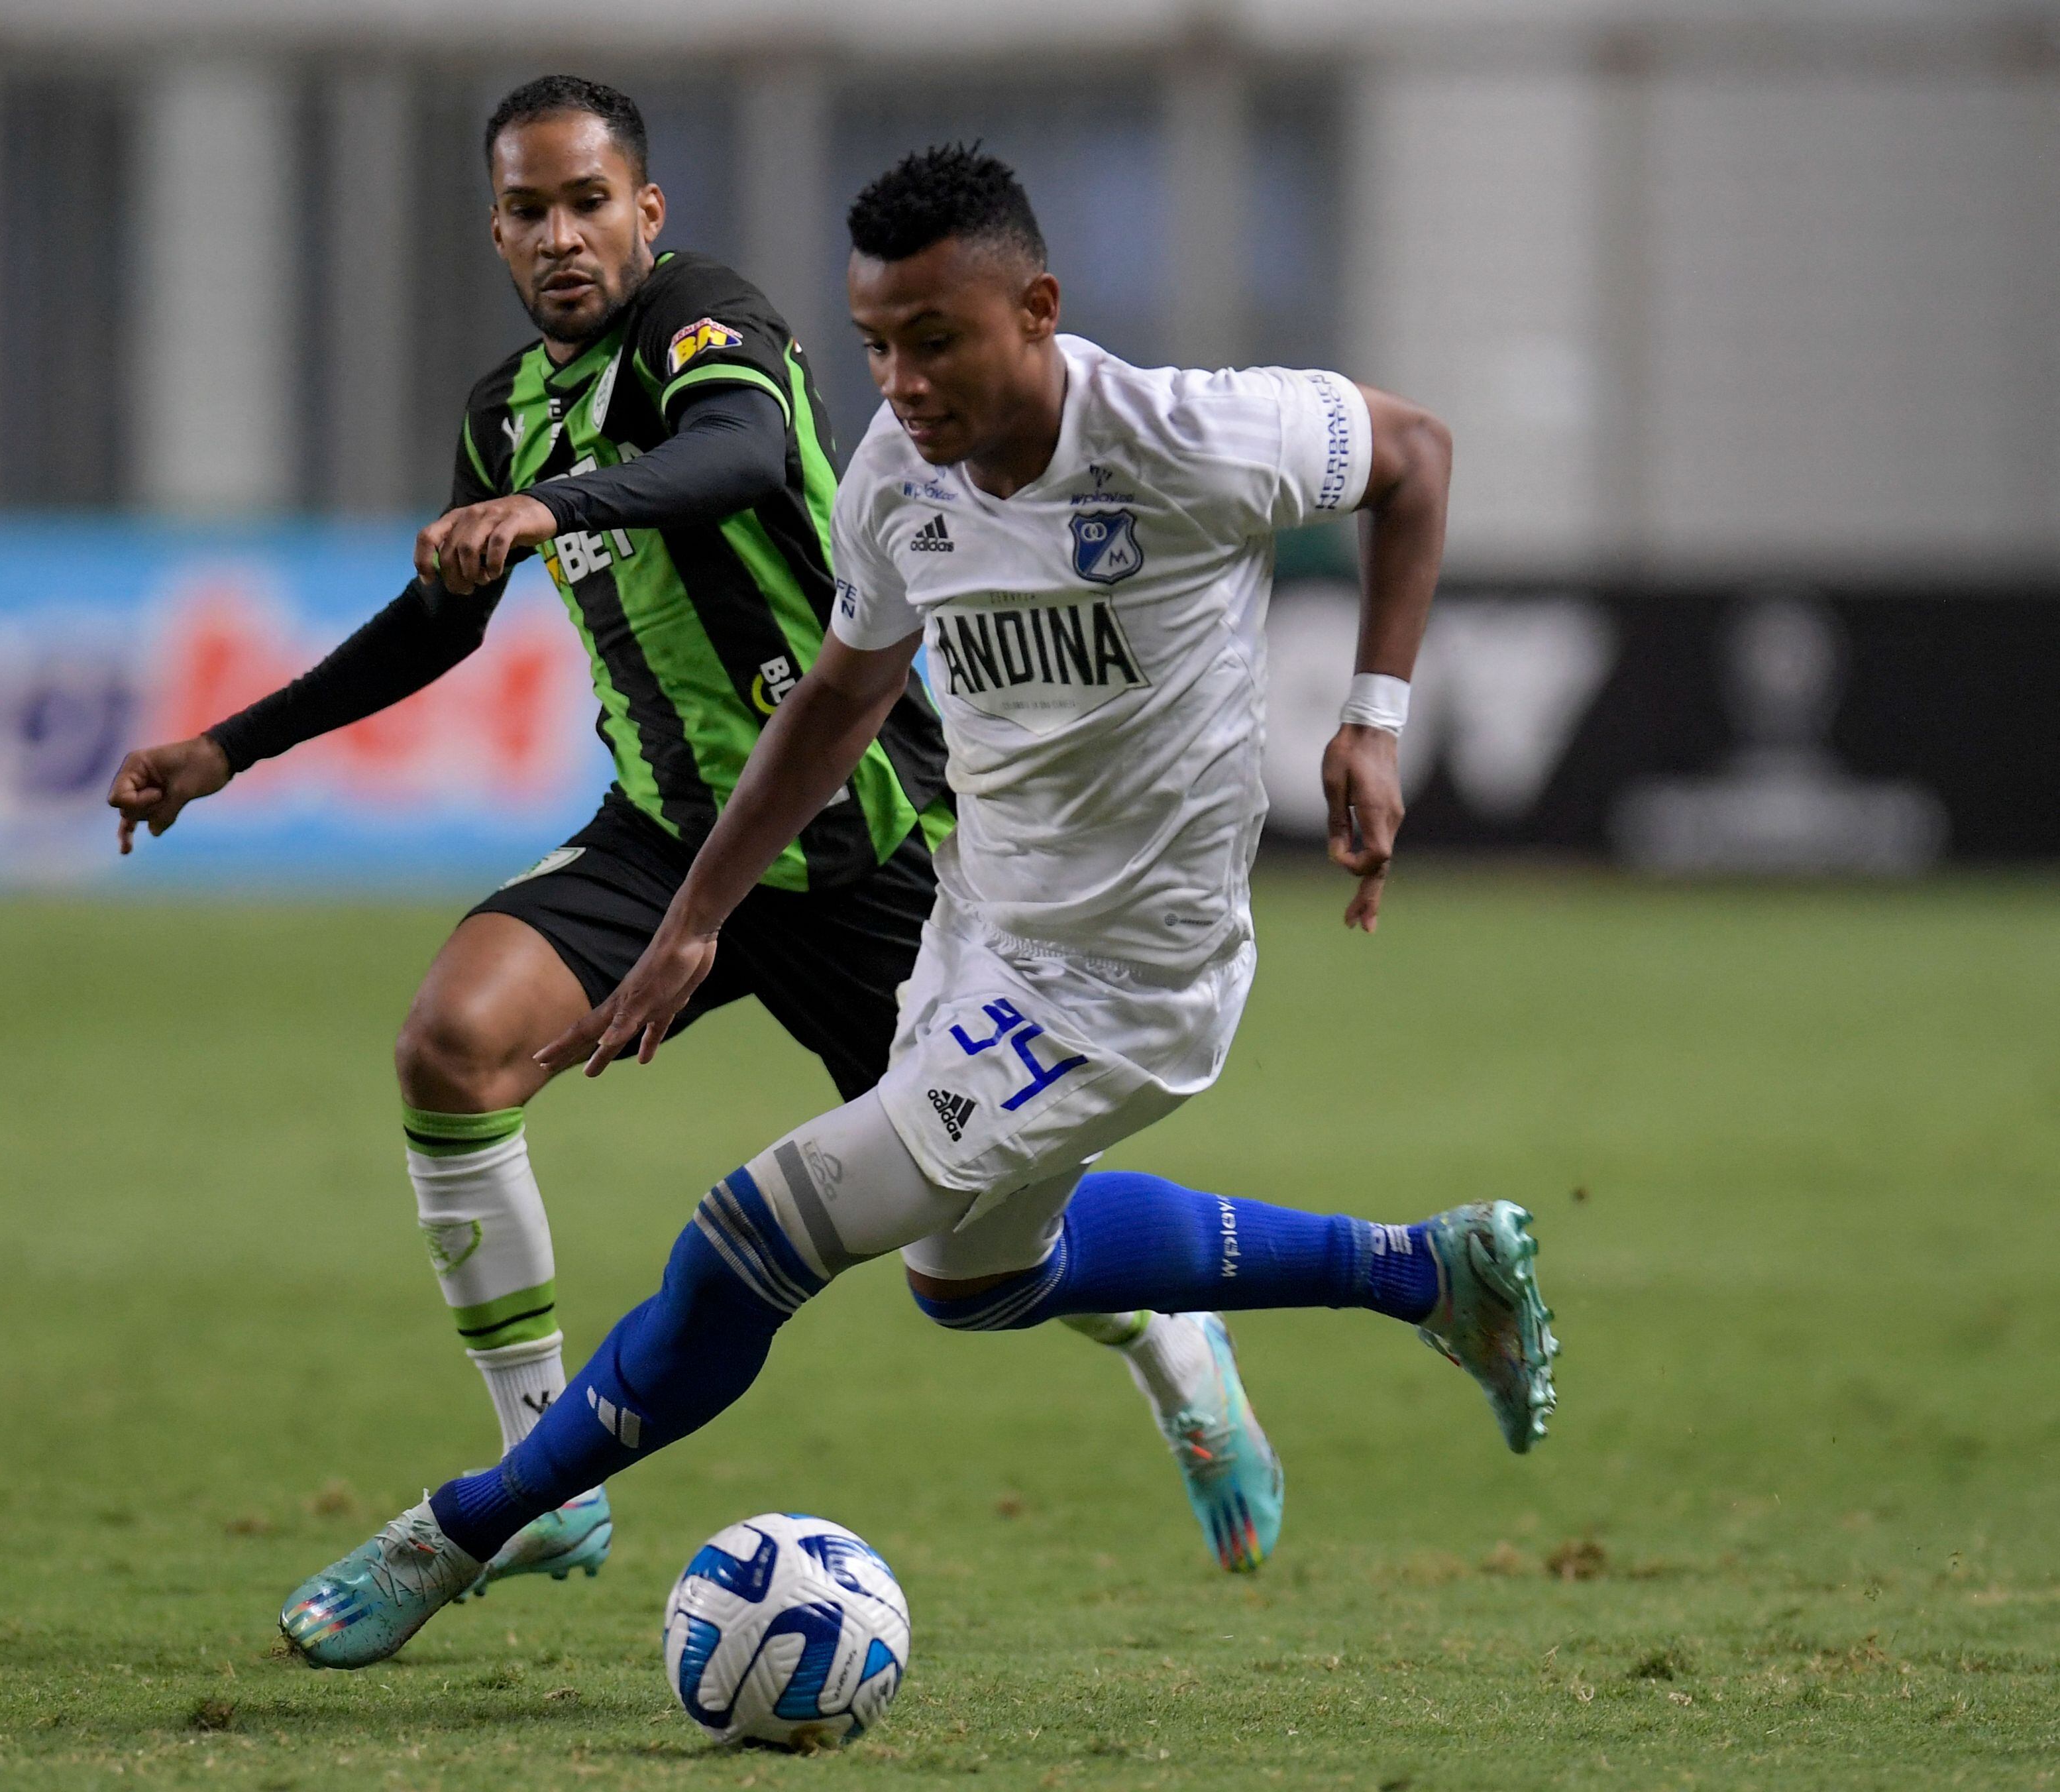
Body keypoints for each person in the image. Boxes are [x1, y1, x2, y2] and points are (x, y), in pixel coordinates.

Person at [279, 143, 1557, 1671]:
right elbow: (838, 696)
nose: (901, 381)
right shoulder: (898, 471)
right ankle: (1426, 1271)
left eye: (935, 340)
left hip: (1128, 987)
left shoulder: (1192, 433)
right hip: (980, 931)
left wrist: (1373, 713)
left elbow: (1414, 451)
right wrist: (696, 915)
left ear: (1038, 309)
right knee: (974, 1280)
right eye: (877, 344)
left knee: (753, 1233)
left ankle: (467, 1522)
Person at [109, 84, 1284, 1595]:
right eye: (528, 211)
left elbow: (728, 457)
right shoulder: (503, 414)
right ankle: (543, 1477)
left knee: (982, 1227)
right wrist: (227, 744)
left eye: (589, 202)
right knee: (450, 1045)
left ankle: (1173, 1337)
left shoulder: (703, 328)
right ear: (498, 231)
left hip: (870, 844)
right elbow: (435, 625)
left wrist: (553, 507)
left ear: (645, 213)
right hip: (667, 836)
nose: (561, 236)